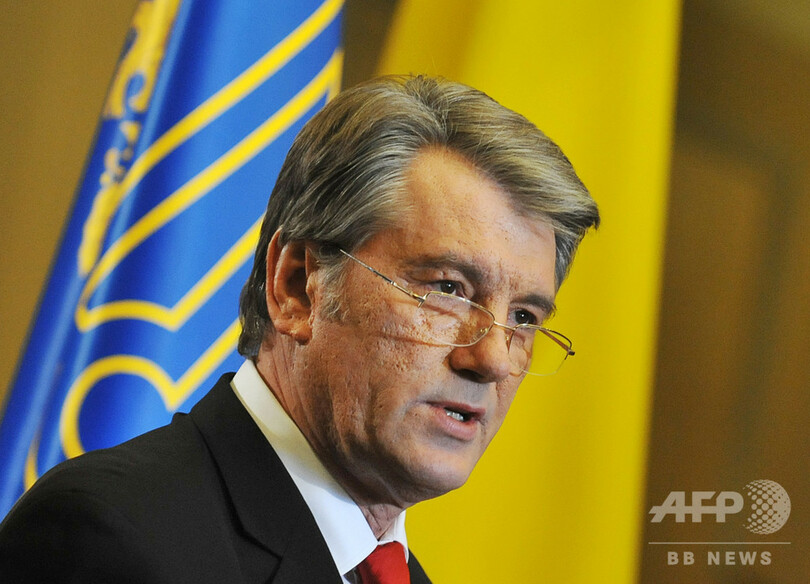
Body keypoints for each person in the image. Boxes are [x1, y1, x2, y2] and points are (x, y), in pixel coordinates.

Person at [0, 75, 599, 583]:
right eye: (447, 289)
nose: (492, 358)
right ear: (296, 287)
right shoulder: (110, 539)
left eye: (524, 317)